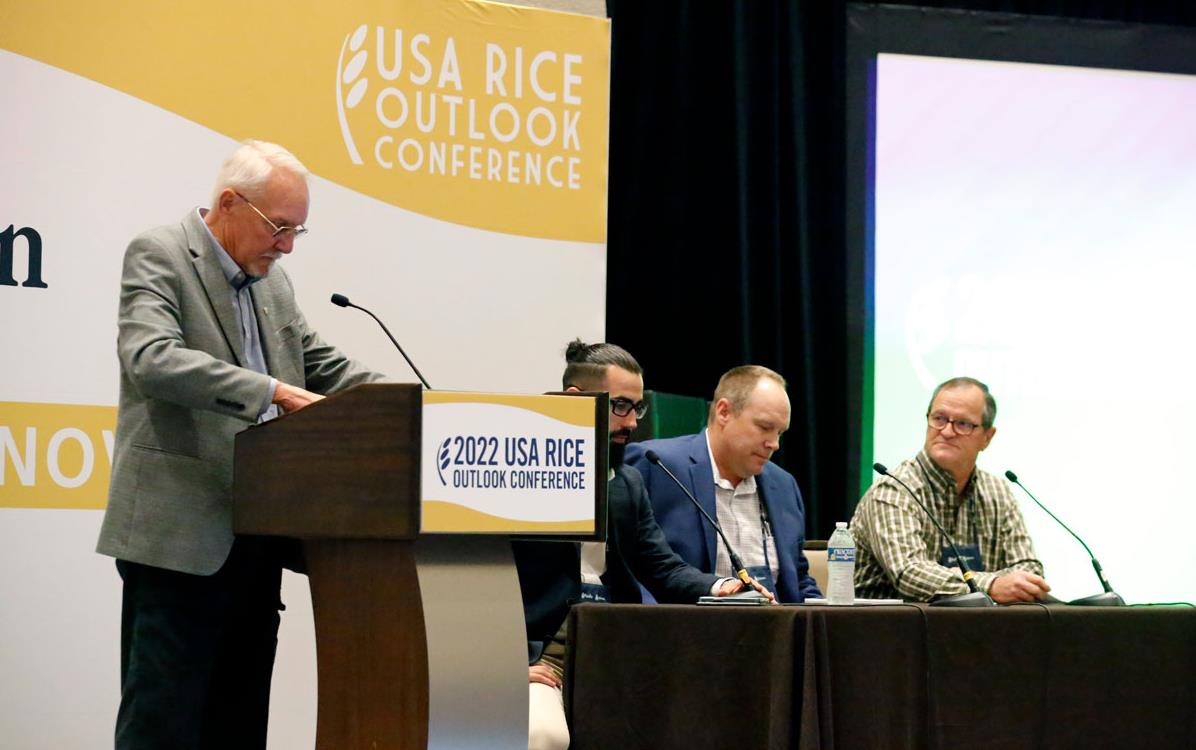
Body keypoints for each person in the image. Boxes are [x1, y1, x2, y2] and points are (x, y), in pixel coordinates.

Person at [96, 140, 387, 749]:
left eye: (295, 232)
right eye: (278, 228)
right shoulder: (161, 254)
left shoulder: (271, 281)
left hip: (257, 535)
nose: (285, 246)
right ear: (230, 202)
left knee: (239, 723)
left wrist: (407, 401)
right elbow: (152, 359)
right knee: (163, 724)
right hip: (178, 538)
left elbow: (319, 361)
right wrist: (272, 392)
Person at [513, 341, 771, 750]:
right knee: (542, 735)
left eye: (637, 408)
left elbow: (661, 567)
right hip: (545, 657)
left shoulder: (628, 481)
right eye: (620, 406)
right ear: (575, 400)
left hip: (615, 644)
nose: (632, 423)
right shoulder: (516, 472)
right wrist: (502, 664)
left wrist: (719, 587)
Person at [625, 365, 822, 603]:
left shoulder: (784, 485)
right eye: (765, 427)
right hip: (690, 629)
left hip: (777, 631)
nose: (774, 443)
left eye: (780, 432)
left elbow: (799, 580)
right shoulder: (657, 466)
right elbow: (631, 568)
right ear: (724, 412)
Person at [850, 376, 1050, 604]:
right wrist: (993, 585)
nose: (946, 431)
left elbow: (1029, 569)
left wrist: (1012, 584)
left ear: (987, 437)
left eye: (963, 424)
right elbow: (911, 574)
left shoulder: (997, 491)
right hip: (892, 632)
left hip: (977, 632)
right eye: (939, 419)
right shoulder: (894, 490)